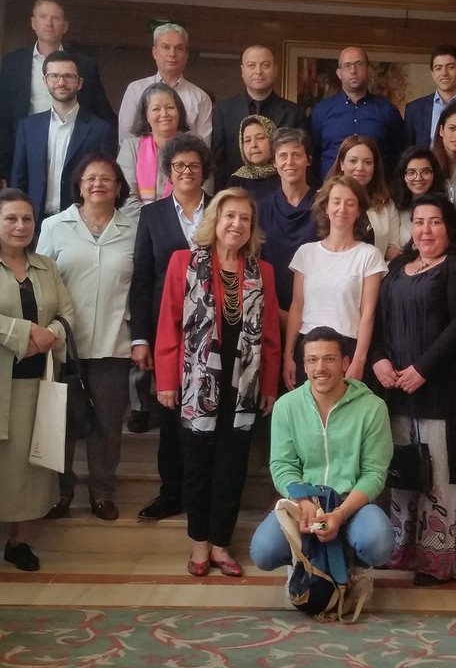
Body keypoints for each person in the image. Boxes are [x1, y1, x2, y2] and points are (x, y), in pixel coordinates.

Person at [154, 187, 281, 577]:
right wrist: (166, 379)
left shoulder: (264, 271)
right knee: (196, 468)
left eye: (245, 218)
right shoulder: (185, 263)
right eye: (230, 216)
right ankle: (198, 545)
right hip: (194, 384)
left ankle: (222, 545)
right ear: (215, 220)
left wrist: (271, 386)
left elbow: (272, 335)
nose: (237, 224)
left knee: (231, 467)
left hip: (244, 385)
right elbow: (169, 325)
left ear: (252, 227)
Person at [371, 194, 456, 585]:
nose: (425, 230)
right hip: (399, 391)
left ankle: (437, 561)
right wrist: (379, 360)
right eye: (418, 222)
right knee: (404, 474)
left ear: (449, 226)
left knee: (439, 478)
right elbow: (379, 323)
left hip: (444, 394)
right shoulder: (397, 267)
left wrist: (423, 368)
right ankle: (400, 551)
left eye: (434, 222)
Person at [37, 153, 136, 522]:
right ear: (79, 185)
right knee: (61, 422)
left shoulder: (133, 229)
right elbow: (40, 277)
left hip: (115, 341)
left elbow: (140, 287)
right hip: (63, 344)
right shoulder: (54, 226)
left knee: (109, 422)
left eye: (107, 178)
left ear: (118, 186)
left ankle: (101, 492)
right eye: (90, 178)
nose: (98, 184)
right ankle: (60, 492)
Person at [250, 326, 394, 574]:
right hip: (303, 503)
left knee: (378, 544)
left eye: (330, 359)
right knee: (263, 552)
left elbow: (374, 472)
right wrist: (303, 501)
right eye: (313, 360)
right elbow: (282, 465)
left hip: (352, 504)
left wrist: (340, 513)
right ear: (304, 365)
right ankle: (301, 562)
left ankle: (354, 568)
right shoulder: (287, 406)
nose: (320, 368)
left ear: (345, 363)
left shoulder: (372, 407)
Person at [128, 134, 213, 519]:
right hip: (167, 329)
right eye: (178, 165)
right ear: (168, 171)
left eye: (193, 165)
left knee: (209, 412)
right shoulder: (152, 215)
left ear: (204, 170)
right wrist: (141, 337)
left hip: (214, 329)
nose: (186, 172)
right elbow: (143, 279)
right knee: (169, 410)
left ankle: (206, 493)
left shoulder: (221, 209)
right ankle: (170, 493)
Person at [0, 188, 73, 571]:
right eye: (11, 218)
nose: (20, 226)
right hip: (1, 382)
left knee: (28, 467)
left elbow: (67, 314)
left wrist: (52, 334)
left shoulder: (46, 266)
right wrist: (22, 331)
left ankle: (19, 541)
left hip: (36, 383)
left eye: (27, 218)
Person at [283, 175, 387, 389]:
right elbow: (297, 307)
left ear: (359, 211)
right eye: (336, 201)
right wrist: (288, 355)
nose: (342, 209)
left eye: (350, 203)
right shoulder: (306, 253)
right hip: (308, 347)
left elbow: (368, 313)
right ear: (326, 207)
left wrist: (359, 360)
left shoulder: (369, 255)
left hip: (346, 348)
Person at [0, 0, 115, 184]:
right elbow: (3, 116)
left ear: (65, 26)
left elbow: (101, 112)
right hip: (26, 153)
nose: (49, 23)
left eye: (56, 18)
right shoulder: (13, 63)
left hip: (73, 152)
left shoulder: (84, 64)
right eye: (43, 16)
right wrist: (5, 167)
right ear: (33, 22)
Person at [10, 51, 117, 228]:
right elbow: (19, 180)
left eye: (68, 76)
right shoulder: (28, 127)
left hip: (81, 222)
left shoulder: (101, 130)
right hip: (34, 223)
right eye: (54, 76)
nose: (61, 82)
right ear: (45, 81)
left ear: (80, 82)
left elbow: (107, 182)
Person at [212, 45, 302, 189]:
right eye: (251, 65)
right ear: (242, 71)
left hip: (281, 192)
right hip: (236, 192)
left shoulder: (294, 112)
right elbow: (218, 160)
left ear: (275, 69)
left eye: (265, 65)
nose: (258, 71)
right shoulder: (224, 110)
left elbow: (300, 158)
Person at [309, 46, 406, 179]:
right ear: (339, 73)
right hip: (332, 193)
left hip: (376, 194)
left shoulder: (388, 110)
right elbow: (312, 155)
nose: (353, 71)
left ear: (369, 70)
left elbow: (400, 156)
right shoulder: (321, 111)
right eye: (347, 65)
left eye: (359, 64)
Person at [118, 23, 212, 145]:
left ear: (186, 55)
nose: (172, 54)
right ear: (154, 52)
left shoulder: (200, 97)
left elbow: (202, 147)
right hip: (142, 162)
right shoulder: (136, 90)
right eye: (166, 47)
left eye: (179, 48)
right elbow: (126, 140)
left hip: (185, 162)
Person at [258, 128, 317, 318]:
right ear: (274, 162)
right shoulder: (260, 209)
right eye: (283, 156)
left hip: (316, 312)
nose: (289, 162)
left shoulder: (325, 207)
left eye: (297, 155)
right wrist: (278, 313)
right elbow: (253, 265)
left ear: (308, 160)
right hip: (270, 310)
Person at [403, 44, 456, 167]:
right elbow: (408, 151)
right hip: (425, 179)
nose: (444, 73)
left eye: (450, 67)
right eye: (438, 68)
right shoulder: (415, 109)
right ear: (432, 74)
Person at [117, 82, 189, 218]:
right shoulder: (131, 147)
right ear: (146, 115)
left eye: (170, 107)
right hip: (138, 228)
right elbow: (125, 198)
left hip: (184, 227)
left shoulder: (194, 148)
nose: (164, 114)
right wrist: (156, 224)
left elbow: (200, 195)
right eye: (156, 109)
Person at [327, 134, 400, 260]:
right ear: (342, 164)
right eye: (353, 161)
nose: (360, 168)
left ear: (374, 168)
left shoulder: (385, 203)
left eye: (367, 162)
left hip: (376, 274)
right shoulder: (326, 199)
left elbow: (392, 248)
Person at [390, 147, 446, 249]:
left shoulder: (444, 207)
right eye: (411, 173)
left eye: (425, 172)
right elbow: (390, 249)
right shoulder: (394, 207)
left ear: (434, 174)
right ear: (403, 176)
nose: (418, 178)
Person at [227, 115, 280, 202]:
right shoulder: (236, 181)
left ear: (273, 141)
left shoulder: (285, 174)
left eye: (260, 138)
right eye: (247, 140)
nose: (253, 145)